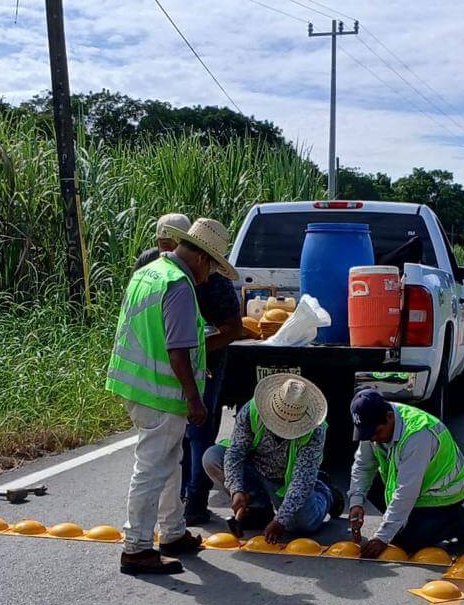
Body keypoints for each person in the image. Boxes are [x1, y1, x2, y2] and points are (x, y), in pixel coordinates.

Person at [106, 217, 238, 576]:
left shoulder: (149, 272)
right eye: (210, 266)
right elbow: (177, 349)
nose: (209, 276)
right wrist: (195, 400)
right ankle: (136, 547)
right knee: (152, 467)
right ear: (199, 257)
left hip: (137, 382)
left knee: (168, 460)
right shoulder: (178, 285)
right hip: (161, 390)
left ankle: (173, 532)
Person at [346, 390, 464, 558]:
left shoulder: (417, 434)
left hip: (442, 493)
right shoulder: (373, 425)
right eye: (368, 435)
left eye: (376, 433)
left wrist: (382, 537)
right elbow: (363, 466)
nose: (373, 439)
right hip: (413, 485)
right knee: (373, 495)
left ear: (389, 417)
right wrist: (356, 504)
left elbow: (407, 491)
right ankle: (411, 523)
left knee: (406, 541)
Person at [202, 374, 344, 544]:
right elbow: (235, 453)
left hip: (284, 479)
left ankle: (326, 492)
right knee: (212, 457)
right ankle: (257, 509)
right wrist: (236, 490)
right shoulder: (251, 410)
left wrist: (280, 521)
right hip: (255, 467)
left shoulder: (315, 429)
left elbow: (301, 480)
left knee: (302, 525)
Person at [181, 271, 244, 525]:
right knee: (195, 433)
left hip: (187, 362)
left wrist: (193, 348)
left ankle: (190, 500)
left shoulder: (158, 272)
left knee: (193, 432)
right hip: (188, 363)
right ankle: (190, 500)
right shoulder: (207, 278)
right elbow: (233, 328)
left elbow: (231, 329)